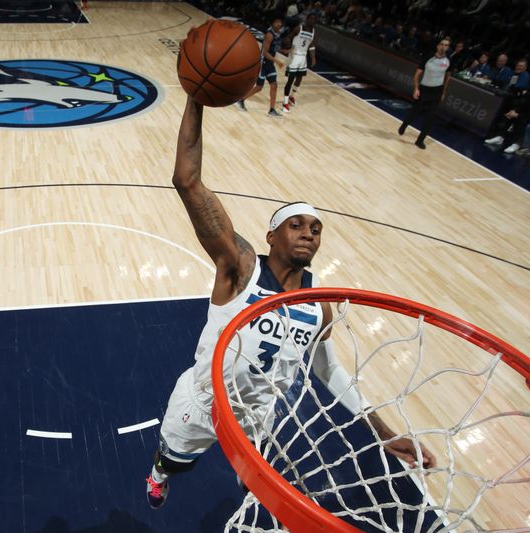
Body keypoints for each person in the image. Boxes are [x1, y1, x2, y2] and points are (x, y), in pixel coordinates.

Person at [145, 95, 437, 509]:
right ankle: (158, 475)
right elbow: (187, 181)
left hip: (256, 415)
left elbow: (330, 371)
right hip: (202, 399)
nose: (308, 233)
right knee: (172, 461)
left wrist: (384, 431)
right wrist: (196, 96)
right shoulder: (240, 269)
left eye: (316, 228)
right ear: (271, 237)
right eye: (296, 224)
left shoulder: (319, 306)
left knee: (258, 488)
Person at [398, 37, 452, 149]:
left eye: (446, 45)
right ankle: (404, 125)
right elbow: (417, 74)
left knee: (430, 118)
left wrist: (443, 92)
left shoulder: (448, 61)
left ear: (448, 48)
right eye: (442, 44)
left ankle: (420, 140)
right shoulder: (428, 57)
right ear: (438, 46)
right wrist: (416, 88)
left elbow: (447, 78)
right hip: (424, 90)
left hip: (436, 92)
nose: (443, 46)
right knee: (414, 113)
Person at [237, 16, 286, 118]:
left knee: (274, 85)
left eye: (280, 22)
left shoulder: (277, 35)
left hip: (269, 64)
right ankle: (241, 100)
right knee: (259, 87)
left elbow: (274, 49)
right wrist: (277, 61)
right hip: (263, 63)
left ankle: (272, 110)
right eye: (277, 22)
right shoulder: (269, 35)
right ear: (272, 23)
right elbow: (265, 52)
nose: (279, 24)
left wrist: (286, 51)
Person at [282, 13, 318, 113]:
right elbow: (288, 37)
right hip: (294, 56)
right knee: (290, 80)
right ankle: (285, 103)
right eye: (310, 18)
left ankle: (291, 96)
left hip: (303, 57)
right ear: (307, 19)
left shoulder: (314, 32)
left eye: (314, 19)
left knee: (299, 79)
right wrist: (287, 45)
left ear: (315, 21)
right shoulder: (299, 28)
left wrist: (313, 57)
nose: (312, 20)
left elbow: (312, 46)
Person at [484, 88, 529, 153]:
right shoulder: (526, 93)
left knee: (522, 121)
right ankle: (500, 137)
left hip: (526, 117)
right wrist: (514, 111)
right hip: (521, 113)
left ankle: (517, 144)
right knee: (508, 114)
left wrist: (518, 115)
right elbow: (521, 104)